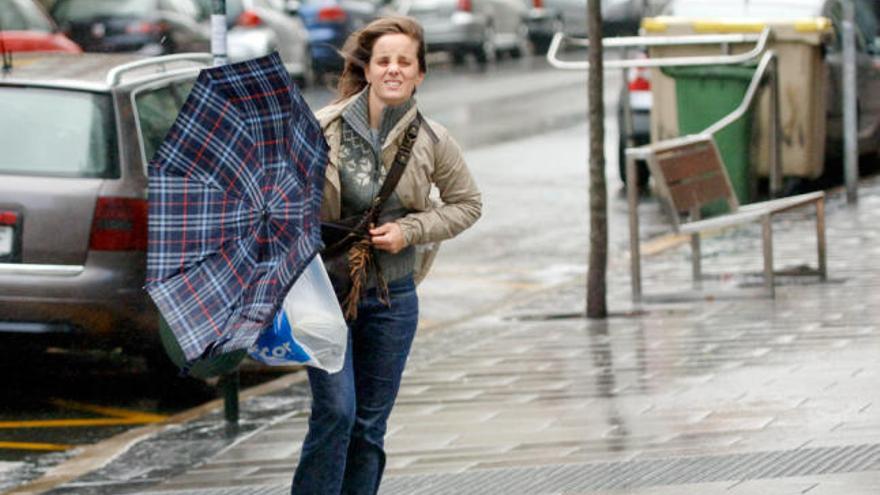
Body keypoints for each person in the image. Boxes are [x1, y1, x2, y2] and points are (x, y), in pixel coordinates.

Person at [291, 15, 482, 495]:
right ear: (368, 69)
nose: (393, 69)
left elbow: (468, 204)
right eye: (384, 61)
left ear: (419, 73)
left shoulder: (434, 140)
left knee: (368, 427)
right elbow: (283, 200)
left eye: (404, 62)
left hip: (393, 299)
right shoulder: (321, 129)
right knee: (336, 412)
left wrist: (411, 229)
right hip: (325, 296)